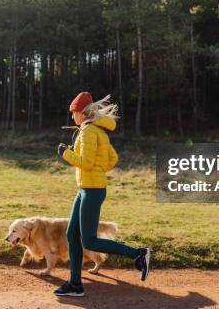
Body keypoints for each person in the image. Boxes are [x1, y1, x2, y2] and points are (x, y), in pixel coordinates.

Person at [53, 92, 151, 297]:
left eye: (73, 113)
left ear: (81, 112)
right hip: (86, 189)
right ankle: (75, 284)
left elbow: (87, 163)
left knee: (89, 241)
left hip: (92, 190)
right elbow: (113, 158)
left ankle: (138, 254)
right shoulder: (98, 130)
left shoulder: (89, 131)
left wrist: (66, 154)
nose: (72, 117)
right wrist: (98, 168)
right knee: (72, 235)